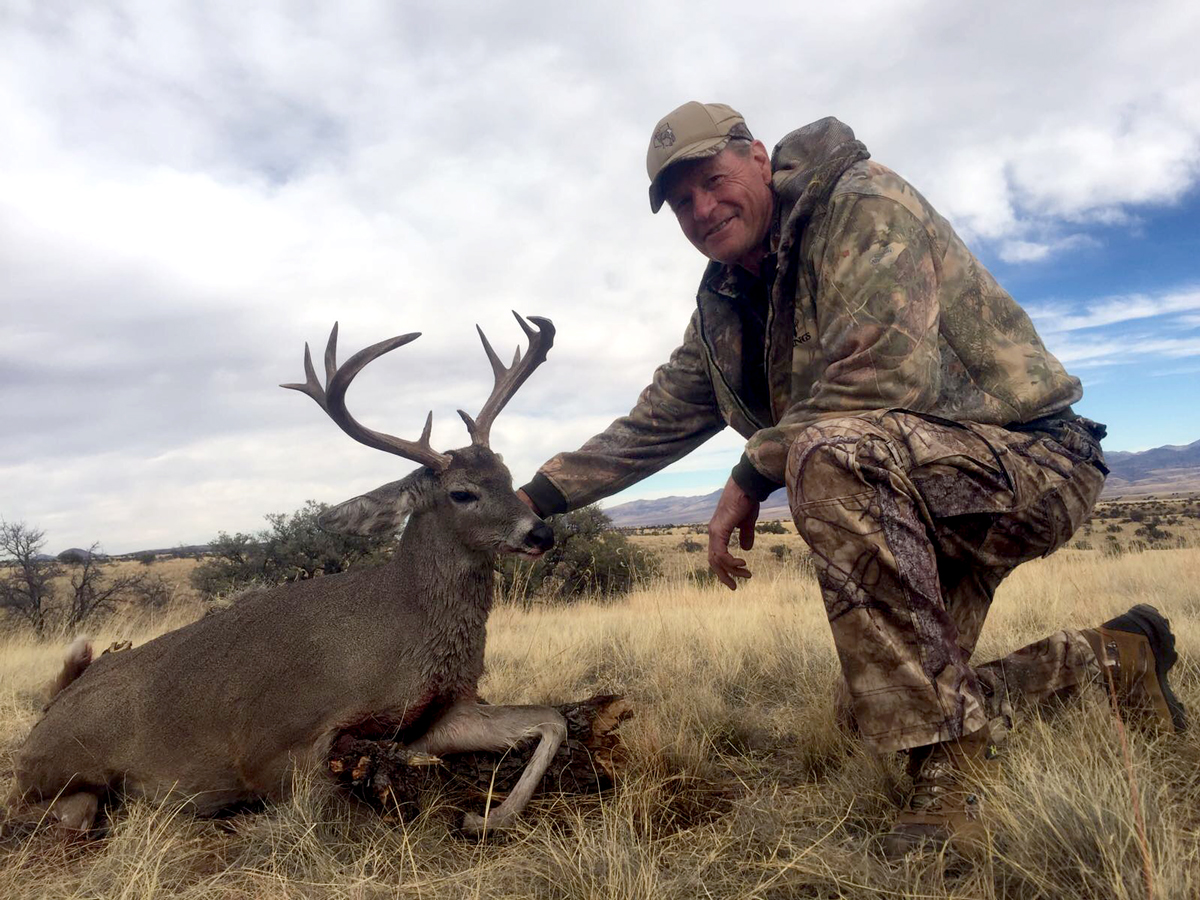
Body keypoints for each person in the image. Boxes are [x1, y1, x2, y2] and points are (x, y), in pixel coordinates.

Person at [517, 102, 1187, 856]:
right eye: (681, 202)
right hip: (918, 485)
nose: (702, 209)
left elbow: (874, 381)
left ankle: (959, 789)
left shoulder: (862, 207)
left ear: (758, 157)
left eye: (712, 180)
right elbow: (656, 421)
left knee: (826, 454)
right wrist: (527, 503)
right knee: (875, 714)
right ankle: (1116, 658)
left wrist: (749, 474)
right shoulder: (726, 303)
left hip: (1032, 463)